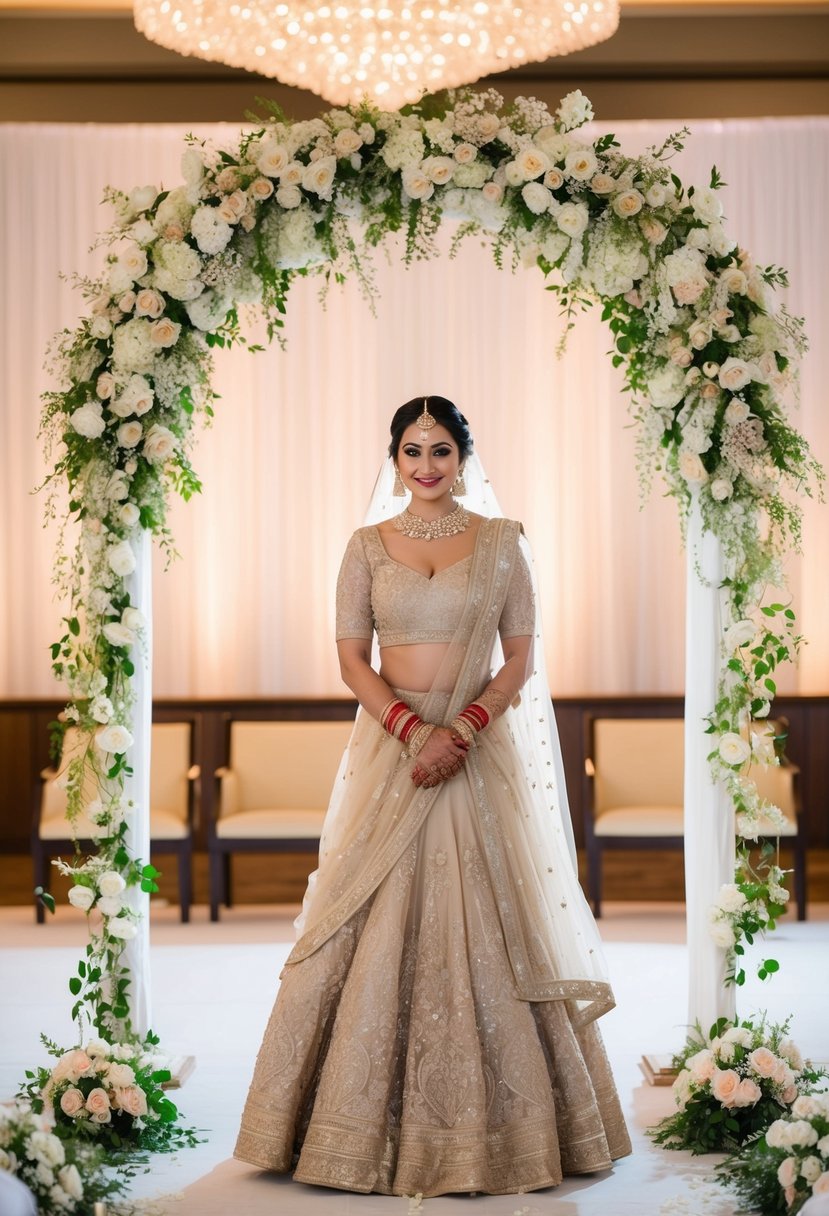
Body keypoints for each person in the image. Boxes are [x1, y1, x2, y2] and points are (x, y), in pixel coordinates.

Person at [234, 396, 631, 1196]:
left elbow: (519, 658)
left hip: (477, 755)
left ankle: (519, 1132)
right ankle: (334, 1127)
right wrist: (416, 735)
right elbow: (351, 661)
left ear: (462, 457)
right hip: (395, 752)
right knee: (356, 914)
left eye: (440, 451)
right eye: (412, 451)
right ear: (393, 457)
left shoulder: (501, 544)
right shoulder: (362, 548)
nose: (425, 467)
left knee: (496, 923)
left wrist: (466, 727)